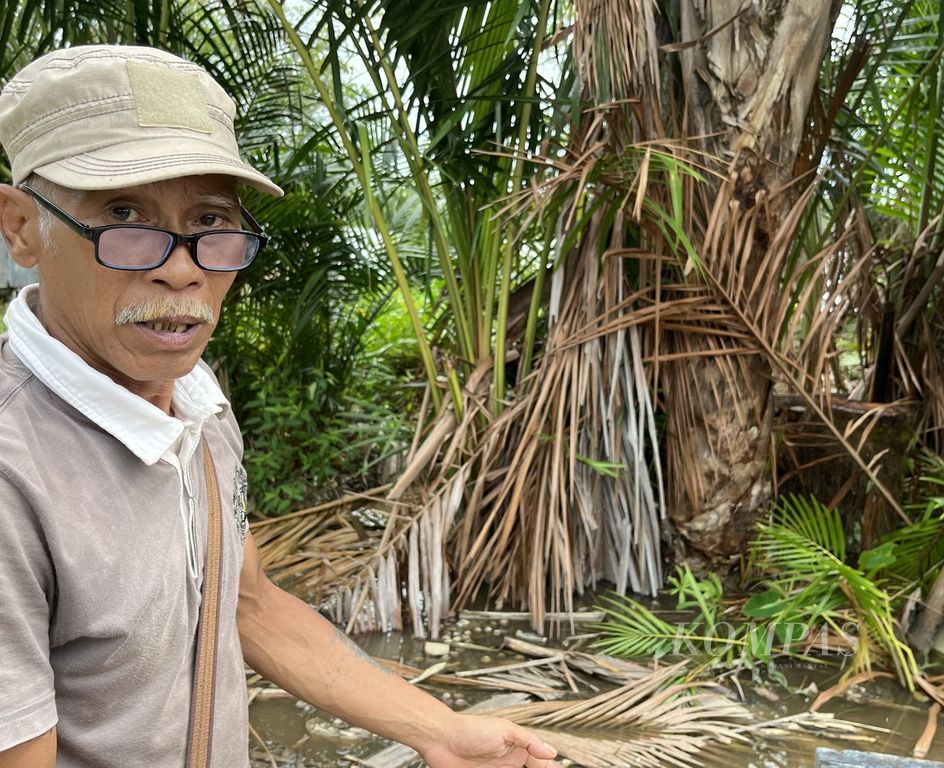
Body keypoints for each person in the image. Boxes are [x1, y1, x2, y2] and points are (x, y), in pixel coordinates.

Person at [0, 45, 558, 768]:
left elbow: (247, 603)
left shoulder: (195, 407)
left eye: (209, 222)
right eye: (124, 216)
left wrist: (441, 730)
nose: (181, 268)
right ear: (19, 227)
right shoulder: (15, 474)